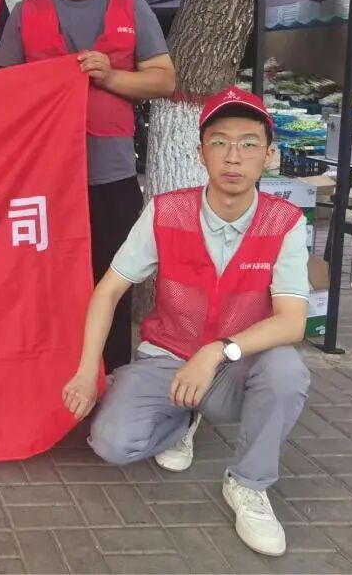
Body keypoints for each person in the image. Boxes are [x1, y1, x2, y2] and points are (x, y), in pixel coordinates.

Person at [62, 87, 309, 557]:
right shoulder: (165, 211)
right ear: (201, 154)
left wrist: (217, 351)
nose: (233, 156)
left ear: (268, 155)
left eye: (248, 143)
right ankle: (184, 418)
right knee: (111, 443)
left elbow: (292, 322)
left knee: (286, 370)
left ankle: (249, 483)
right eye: (219, 142)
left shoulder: (285, 222)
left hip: (236, 365)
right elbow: (109, 288)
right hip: (167, 358)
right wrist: (86, 370)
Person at [0, 0, 176, 372]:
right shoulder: (26, 13)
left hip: (111, 178)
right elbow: (3, 90)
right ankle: (45, 378)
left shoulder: (132, 8)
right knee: (43, 284)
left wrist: (110, 77)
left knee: (111, 282)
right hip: (44, 181)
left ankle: (109, 379)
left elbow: (163, 80)